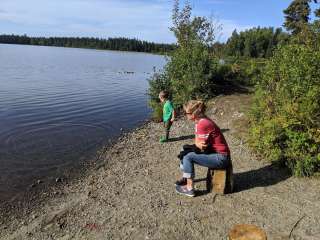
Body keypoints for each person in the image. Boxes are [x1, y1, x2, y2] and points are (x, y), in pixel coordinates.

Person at [175, 100, 231, 197]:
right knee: (185, 151)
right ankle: (186, 177)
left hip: (221, 158)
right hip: (218, 154)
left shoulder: (202, 123)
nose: (185, 115)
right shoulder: (200, 121)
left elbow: (200, 146)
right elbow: (197, 142)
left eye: (186, 113)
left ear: (194, 113)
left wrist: (196, 143)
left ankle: (189, 188)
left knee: (188, 156)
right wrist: (196, 143)